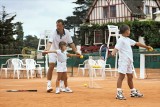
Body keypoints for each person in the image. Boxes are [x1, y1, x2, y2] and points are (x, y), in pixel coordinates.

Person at [111, 24, 152, 100]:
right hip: (123, 61)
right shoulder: (121, 40)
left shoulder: (127, 39)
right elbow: (116, 48)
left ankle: (133, 91)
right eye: (129, 30)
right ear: (126, 31)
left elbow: (137, 43)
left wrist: (147, 47)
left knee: (130, 76)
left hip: (129, 61)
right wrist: (113, 53)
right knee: (121, 76)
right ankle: (118, 93)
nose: (129, 31)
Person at [45, 19, 80, 92]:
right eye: (57, 25)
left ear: (63, 26)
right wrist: (47, 50)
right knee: (51, 66)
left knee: (63, 69)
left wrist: (76, 51)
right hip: (54, 50)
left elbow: (71, 43)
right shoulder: (53, 32)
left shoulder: (67, 32)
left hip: (63, 51)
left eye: (59, 25)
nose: (58, 27)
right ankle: (48, 85)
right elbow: (50, 42)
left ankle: (61, 86)